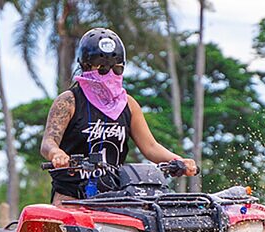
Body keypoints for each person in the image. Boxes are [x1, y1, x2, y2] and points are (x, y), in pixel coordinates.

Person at [40, 27, 198, 205]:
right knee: (60, 222)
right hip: (71, 193)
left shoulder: (128, 104)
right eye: (102, 69)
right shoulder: (69, 101)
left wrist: (178, 160)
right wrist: (56, 153)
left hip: (115, 193)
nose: (110, 74)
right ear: (86, 66)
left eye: (117, 69)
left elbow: (151, 146)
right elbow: (48, 142)